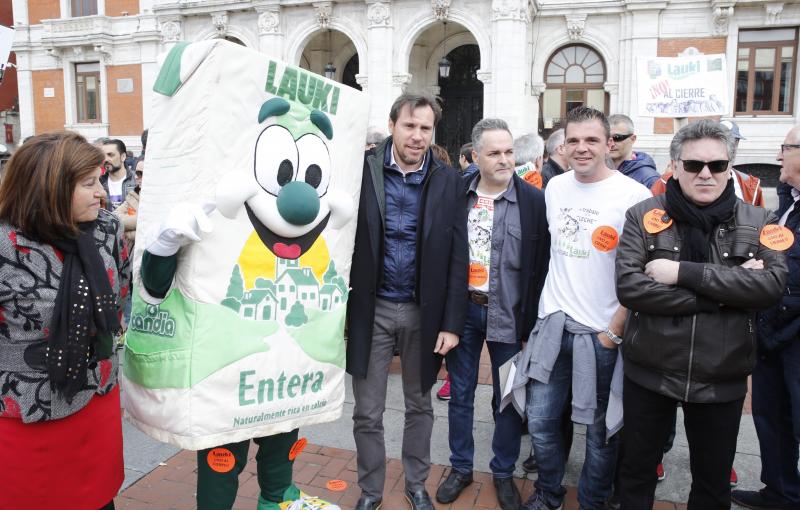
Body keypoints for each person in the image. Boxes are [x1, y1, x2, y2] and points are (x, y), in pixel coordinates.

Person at [615, 119, 787, 510]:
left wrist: (681, 274)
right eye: (693, 165)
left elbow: (771, 287)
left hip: (720, 376)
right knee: (636, 474)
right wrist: (724, 293)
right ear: (675, 166)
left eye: (717, 165)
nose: (706, 174)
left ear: (731, 167)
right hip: (650, 372)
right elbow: (631, 289)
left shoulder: (759, 221)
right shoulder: (643, 215)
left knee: (712, 487)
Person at [519, 107, 652, 510]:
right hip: (553, 326)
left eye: (591, 140)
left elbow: (644, 274)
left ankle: (593, 501)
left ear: (609, 143)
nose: (581, 148)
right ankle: (548, 493)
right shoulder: (555, 188)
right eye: (572, 140)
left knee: (599, 432)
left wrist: (614, 331)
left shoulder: (634, 196)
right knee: (541, 422)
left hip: (601, 335)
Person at [346, 92, 468, 510]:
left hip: (424, 312)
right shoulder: (361, 172)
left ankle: (416, 483)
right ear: (393, 124)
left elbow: (458, 253)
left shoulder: (447, 179)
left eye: (425, 128)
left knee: (420, 406)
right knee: (367, 411)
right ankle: (370, 491)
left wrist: (452, 322)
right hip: (371, 308)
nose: (417, 136)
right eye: (409, 126)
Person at [0, 131, 130, 509]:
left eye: (101, 180)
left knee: (98, 498)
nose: (102, 193)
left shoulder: (107, 229)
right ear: (50, 187)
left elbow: (120, 290)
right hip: (25, 415)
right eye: (89, 183)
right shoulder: (6, 245)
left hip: (95, 399)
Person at [435, 119, 549, 509]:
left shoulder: (534, 202)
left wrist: (531, 325)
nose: (504, 160)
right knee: (461, 394)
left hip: (510, 318)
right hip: (464, 314)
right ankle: (461, 468)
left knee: (508, 399)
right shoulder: (457, 194)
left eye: (509, 152)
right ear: (476, 156)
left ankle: (503, 473)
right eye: (495, 153)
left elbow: (541, 265)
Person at [731, 125, 800, 510]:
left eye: (784, 148)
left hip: (793, 332)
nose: (777, 157)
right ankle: (782, 492)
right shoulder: (788, 202)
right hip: (772, 331)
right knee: (771, 417)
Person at [652, 121, 764, 207]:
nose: (705, 174)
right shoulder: (664, 183)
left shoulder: (749, 185)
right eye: (693, 165)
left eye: (735, 141)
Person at [607, 114, 660, 189]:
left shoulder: (650, 179)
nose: (611, 143)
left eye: (617, 138)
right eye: (607, 138)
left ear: (633, 139)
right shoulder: (596, 171)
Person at [100, 138, 136, 210]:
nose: (106, 159)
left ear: (123, 157)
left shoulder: (136, 180)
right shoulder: (99, 182)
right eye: (103, 156)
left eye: (110, 155)